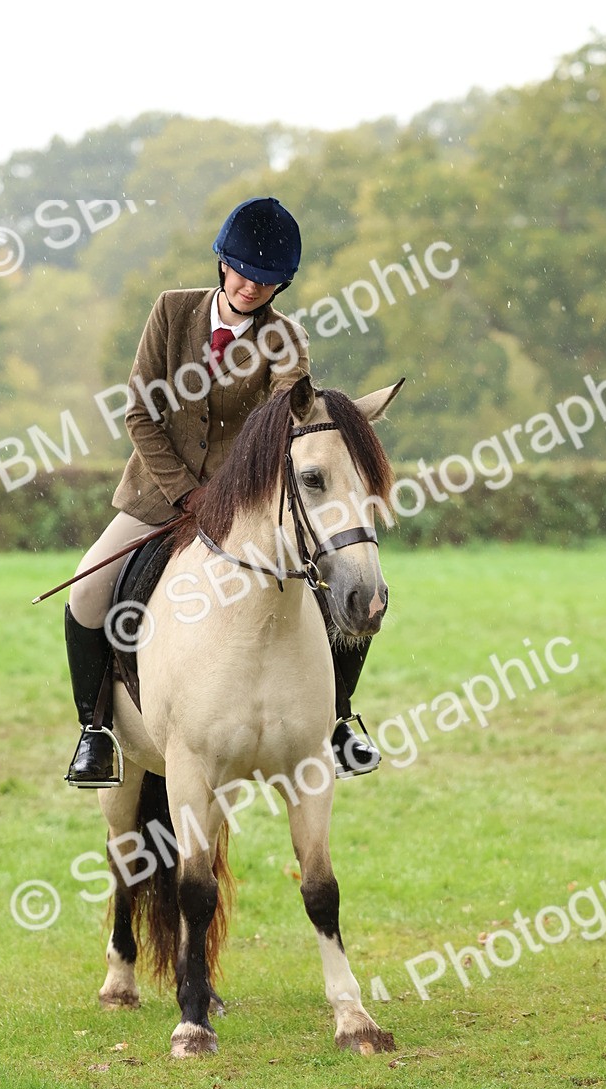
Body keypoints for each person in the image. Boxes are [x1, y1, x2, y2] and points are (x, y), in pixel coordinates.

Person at [64, 196, 381, 787]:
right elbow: (140, 412)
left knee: (346, 583)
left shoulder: (286, 339)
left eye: (267, 280)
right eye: (242, 271)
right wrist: (186, 493)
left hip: (245, 505)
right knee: (88, 589)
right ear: (221, 263)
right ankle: (96, 731)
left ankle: (337, 719)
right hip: (158, 495)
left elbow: (288, 415)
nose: (251, 287)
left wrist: (232, 492)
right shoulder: (171, 312)